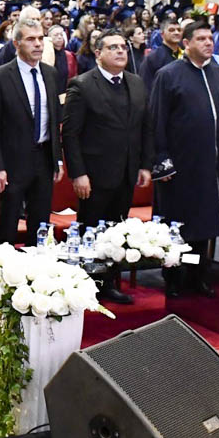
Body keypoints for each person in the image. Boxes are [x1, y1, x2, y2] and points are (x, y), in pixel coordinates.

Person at [61, 29, 152, 304]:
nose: (121, 51)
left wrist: (144, 165)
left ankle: (109, 283)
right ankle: (87, 286)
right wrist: (78, 173)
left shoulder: (136, 82)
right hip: (94, 175)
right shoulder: (82, 85)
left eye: (123, 46)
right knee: (91, 231)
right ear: (98, 53)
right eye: (113, 47)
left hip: (126, 172)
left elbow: (144, 128)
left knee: (116, 231)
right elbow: (71, 135)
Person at [149, 21, 219, 298]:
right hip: (180, 167)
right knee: (178, 227)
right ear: (186, 44)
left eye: (210, 38)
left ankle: (197, 274)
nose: (208, 43)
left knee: (204, 226)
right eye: (201, 39)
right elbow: (156, 120)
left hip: (211, 166)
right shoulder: (169, 75)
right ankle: (174, 277)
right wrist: (161, 160)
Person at [0, 17, 62, 247]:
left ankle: (36, 267)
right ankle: (3, 267)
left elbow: (54, 119)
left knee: (41, 225)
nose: (38, 44)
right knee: (8, 225)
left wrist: (57, 158)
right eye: (30, 39)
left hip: (44, 158)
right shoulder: (0, 77)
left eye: (40, 39)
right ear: (17, 43)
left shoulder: (51, 74)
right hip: (13, 162)